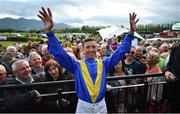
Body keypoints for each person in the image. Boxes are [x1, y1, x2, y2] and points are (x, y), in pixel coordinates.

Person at [38, 7, 139, 113]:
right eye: (88, 47)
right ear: (83, 49)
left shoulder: (104, 63)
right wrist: (49, 32)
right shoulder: (76, 66)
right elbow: (60, 54)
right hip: (83, 107)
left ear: (97, 48)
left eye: (93, 47)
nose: (91, 49)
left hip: (101, 106)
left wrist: (130, 34)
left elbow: (120, 52)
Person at [164, 44, 180, 112]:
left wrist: (176, 78)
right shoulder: (175, 49)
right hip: (173, 89)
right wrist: (167, 71)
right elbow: (169, 64)